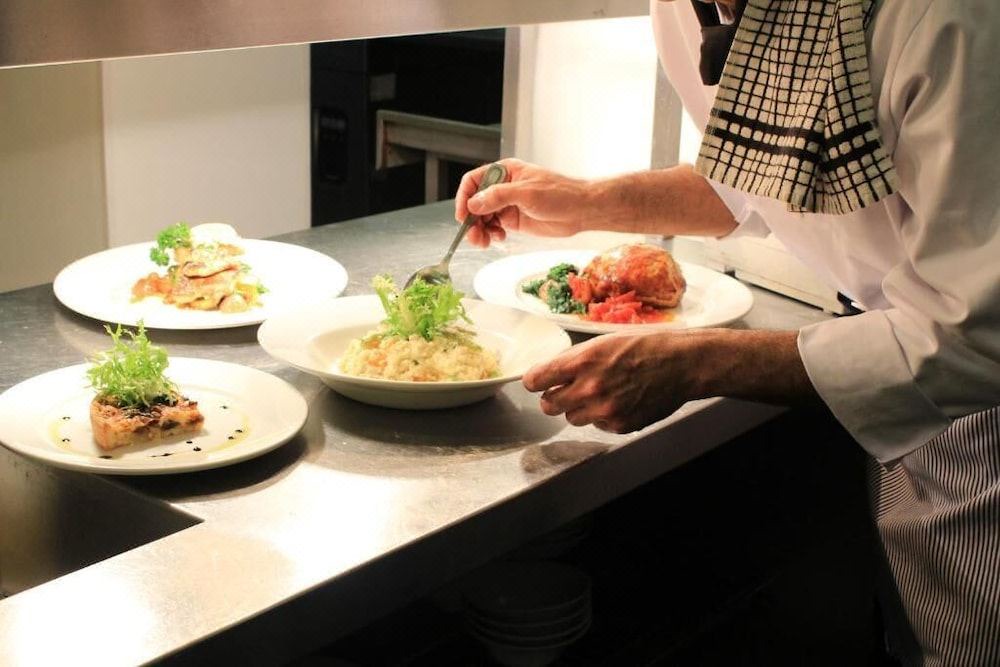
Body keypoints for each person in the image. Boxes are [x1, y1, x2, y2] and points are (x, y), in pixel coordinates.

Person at [454, 1, 1000, 664]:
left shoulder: (946, 19)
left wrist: (696, 362)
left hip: (979, 409)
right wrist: (585, 201)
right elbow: (758, 178)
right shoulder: (679, 11)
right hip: (882, 353)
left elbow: (974, 332)